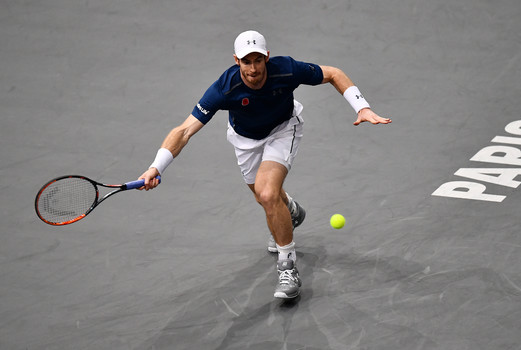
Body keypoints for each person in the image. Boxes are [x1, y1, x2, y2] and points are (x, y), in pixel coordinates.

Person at [138, 30, 391, 299]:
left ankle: (287, 266)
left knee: (268, 193)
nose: (253, 68)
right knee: (265, 197)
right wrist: (157, 166)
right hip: (244, 140)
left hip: (283, 130)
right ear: (237, 61)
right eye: (247, 62)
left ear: (267, 58)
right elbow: (184, 130)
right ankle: (291, 210)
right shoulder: (224, 88)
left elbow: (333, 74)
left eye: (258, 60)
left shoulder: (287, 70)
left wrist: (361, 107)